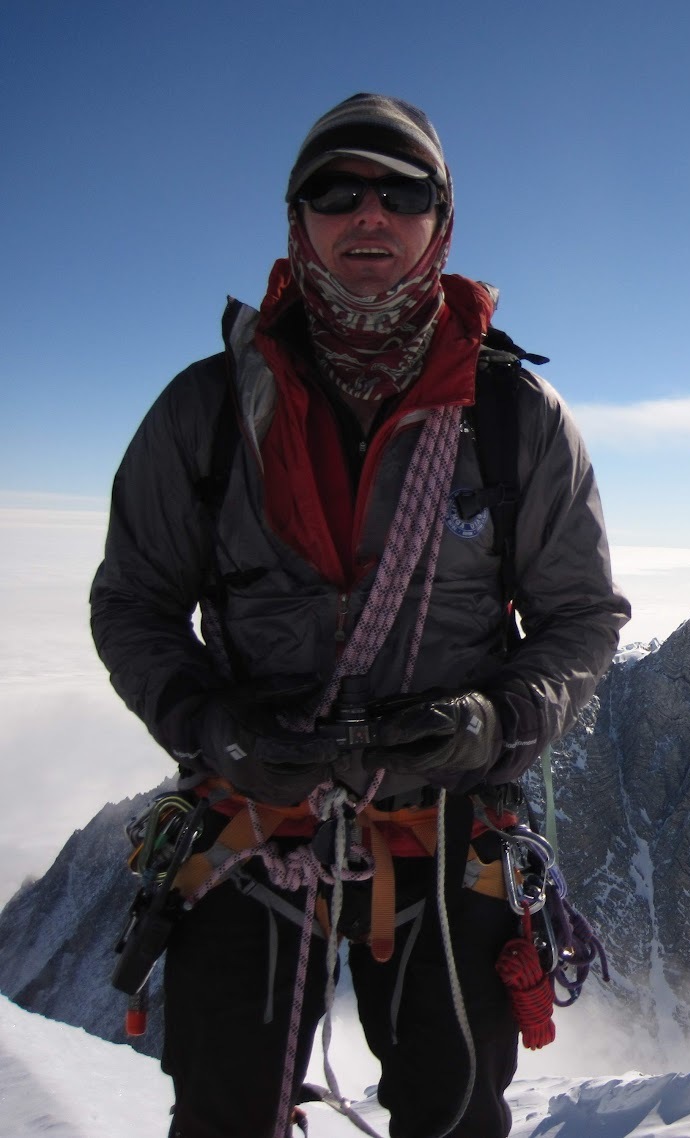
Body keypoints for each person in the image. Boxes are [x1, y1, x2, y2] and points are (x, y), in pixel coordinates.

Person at [90, 93, 630, 1138]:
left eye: (403, 192)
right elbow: (135, 603)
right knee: (222, 1111)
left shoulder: (516, 421)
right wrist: (211, 725)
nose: (368, 214)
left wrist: (496, 723)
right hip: (253, 817)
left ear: (443, 222)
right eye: (337, 190)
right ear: (298, 222)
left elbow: (579, 619)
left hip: (444, 821)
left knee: (455, 1114)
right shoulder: (205, 415)